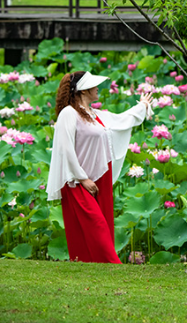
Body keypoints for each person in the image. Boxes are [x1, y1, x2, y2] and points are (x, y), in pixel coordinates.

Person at [46, 71, 152, 263]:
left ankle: (94, 266)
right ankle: (114, 266)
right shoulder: (69, 113)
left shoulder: (94, 115)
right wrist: (82, 178)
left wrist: (143, 106)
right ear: (83, 90)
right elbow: (66, 149)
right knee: (96, 224)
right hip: (77, 181)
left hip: (99, 177)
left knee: (102, 225)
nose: (98, 88)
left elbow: (121, 120)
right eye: (94, 85)